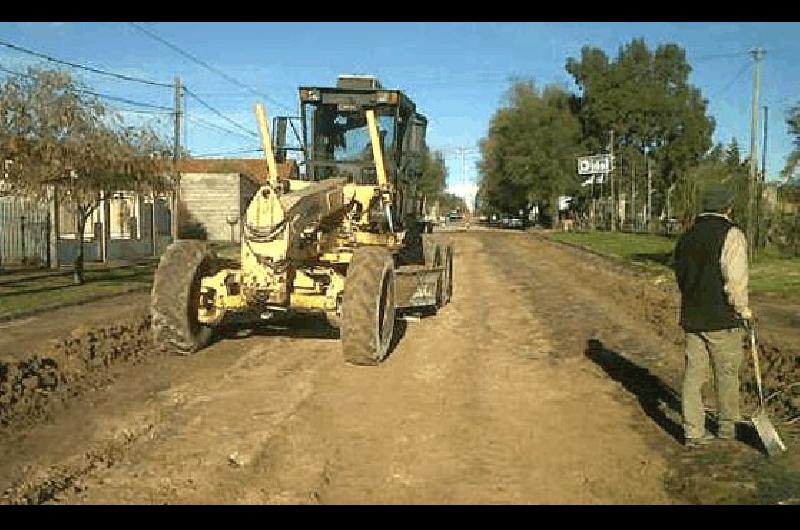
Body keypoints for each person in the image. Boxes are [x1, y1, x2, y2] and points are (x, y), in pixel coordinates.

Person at [673, 184, 752, 448]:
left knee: (694, 375)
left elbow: (681, 277)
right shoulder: (732, 235)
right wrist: (744, 312)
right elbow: (735, 281)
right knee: (726, 374)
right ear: (728, 208)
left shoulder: (686, 237)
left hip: (693, 317)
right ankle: (727, 428)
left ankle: (693, 431)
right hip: (722, 319)